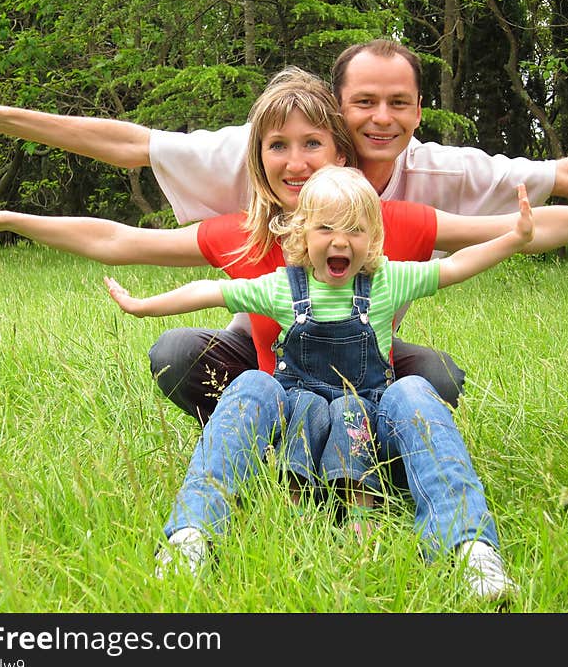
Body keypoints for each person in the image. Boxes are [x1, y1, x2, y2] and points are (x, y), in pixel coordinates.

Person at [0, 39, 568, 417]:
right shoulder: (257, 173)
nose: (382, 120)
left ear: (416, 111)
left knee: (434, 381)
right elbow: (123, 187)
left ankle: (368, 450)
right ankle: (261, 443)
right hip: (266, 337)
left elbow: (552, 199)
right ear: (338, 110)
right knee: (181, 353)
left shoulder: (419, 194)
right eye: (365, 103)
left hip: (363, 347)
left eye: (400, 103)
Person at [103, 165, 539, 600]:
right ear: (302, 234)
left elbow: (457, 265)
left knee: (413, 390)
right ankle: (192, 537)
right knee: (255, 382)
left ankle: (469, 549)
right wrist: (144, 306)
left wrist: (513, 239)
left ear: (373, 238)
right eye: (326, 227)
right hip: (292, 433)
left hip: (368, 432)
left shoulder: (386, 281)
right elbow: (209, 291)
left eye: (355, 229)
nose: (340, 239)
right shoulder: (280, 288)